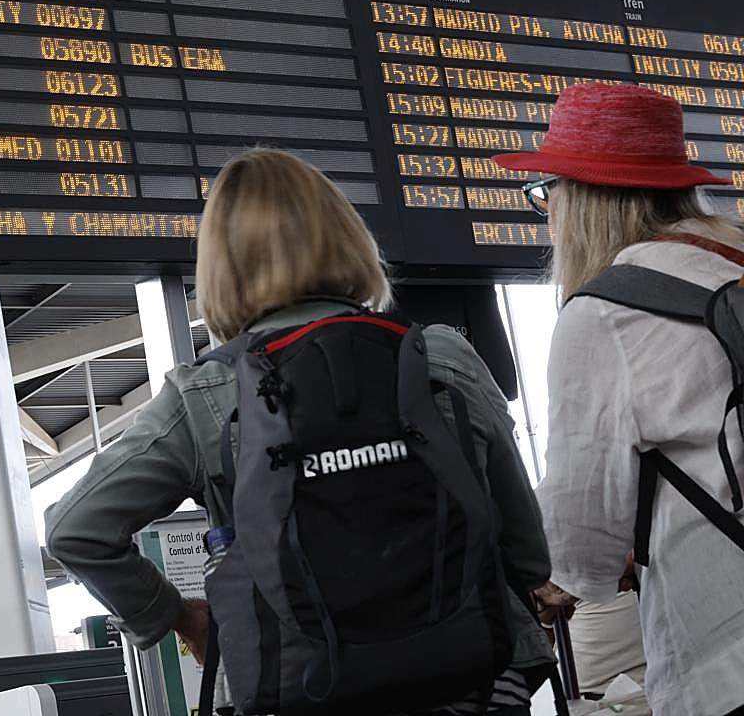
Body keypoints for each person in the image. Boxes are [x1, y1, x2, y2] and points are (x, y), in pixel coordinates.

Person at [45, 148, 554, 714]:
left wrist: (176, 614)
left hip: (301, 686)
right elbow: (529, 556)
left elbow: (74, 529)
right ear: (346, 235)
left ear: (220, 266)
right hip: (472, 681)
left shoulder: (205, 398)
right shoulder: (441, 358)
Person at [493, 82, 744, 716]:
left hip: (726, 661)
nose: (544, 210)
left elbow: (584, 545)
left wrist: (552, 582)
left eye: (544, 192)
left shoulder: (607, 313)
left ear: (580, 199)